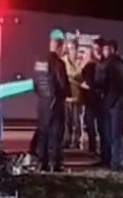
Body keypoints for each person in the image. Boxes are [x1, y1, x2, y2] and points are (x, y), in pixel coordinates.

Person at [31, 38, 70, 172]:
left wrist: (42, 95)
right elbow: (63, 84)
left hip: (42, 103)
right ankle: (55, 163)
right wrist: (67, 93)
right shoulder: (59, 63)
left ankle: (42, 162)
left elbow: (35, 84)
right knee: (56, 134)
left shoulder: (39, 63)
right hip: (55, 103)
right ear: (59, 48)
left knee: (43, 132)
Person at [99, 39, 123, 172]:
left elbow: (106, 84)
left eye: (106, 49)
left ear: (112, 49)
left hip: (113, 104)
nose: (104, 52)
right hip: (120, 104)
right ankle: (117, 161)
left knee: (115, 135)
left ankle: (118, 163)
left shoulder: (110, 64)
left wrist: (107, 101)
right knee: (117, 134)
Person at [81, 38, 106, 162]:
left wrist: (90, 86)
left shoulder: (104, 64)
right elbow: (85, 80)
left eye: (97, 49)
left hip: (100, 101)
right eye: (94, 49)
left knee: (102, 127)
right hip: (90, 101)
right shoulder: (89, 66)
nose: (95, 51)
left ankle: (103, 150)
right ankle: (93, 149)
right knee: (91, 126)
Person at [63, 39, 84, 149]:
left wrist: (73, 80)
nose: (72, 51)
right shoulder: (63, 61)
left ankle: (77, 141)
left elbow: (82, 79)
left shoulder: (80, 62)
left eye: (74, 48)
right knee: (66, 121)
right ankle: (66, 140)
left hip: (77, 97)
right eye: (70, 48)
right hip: (66, 97)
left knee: (77, 121)